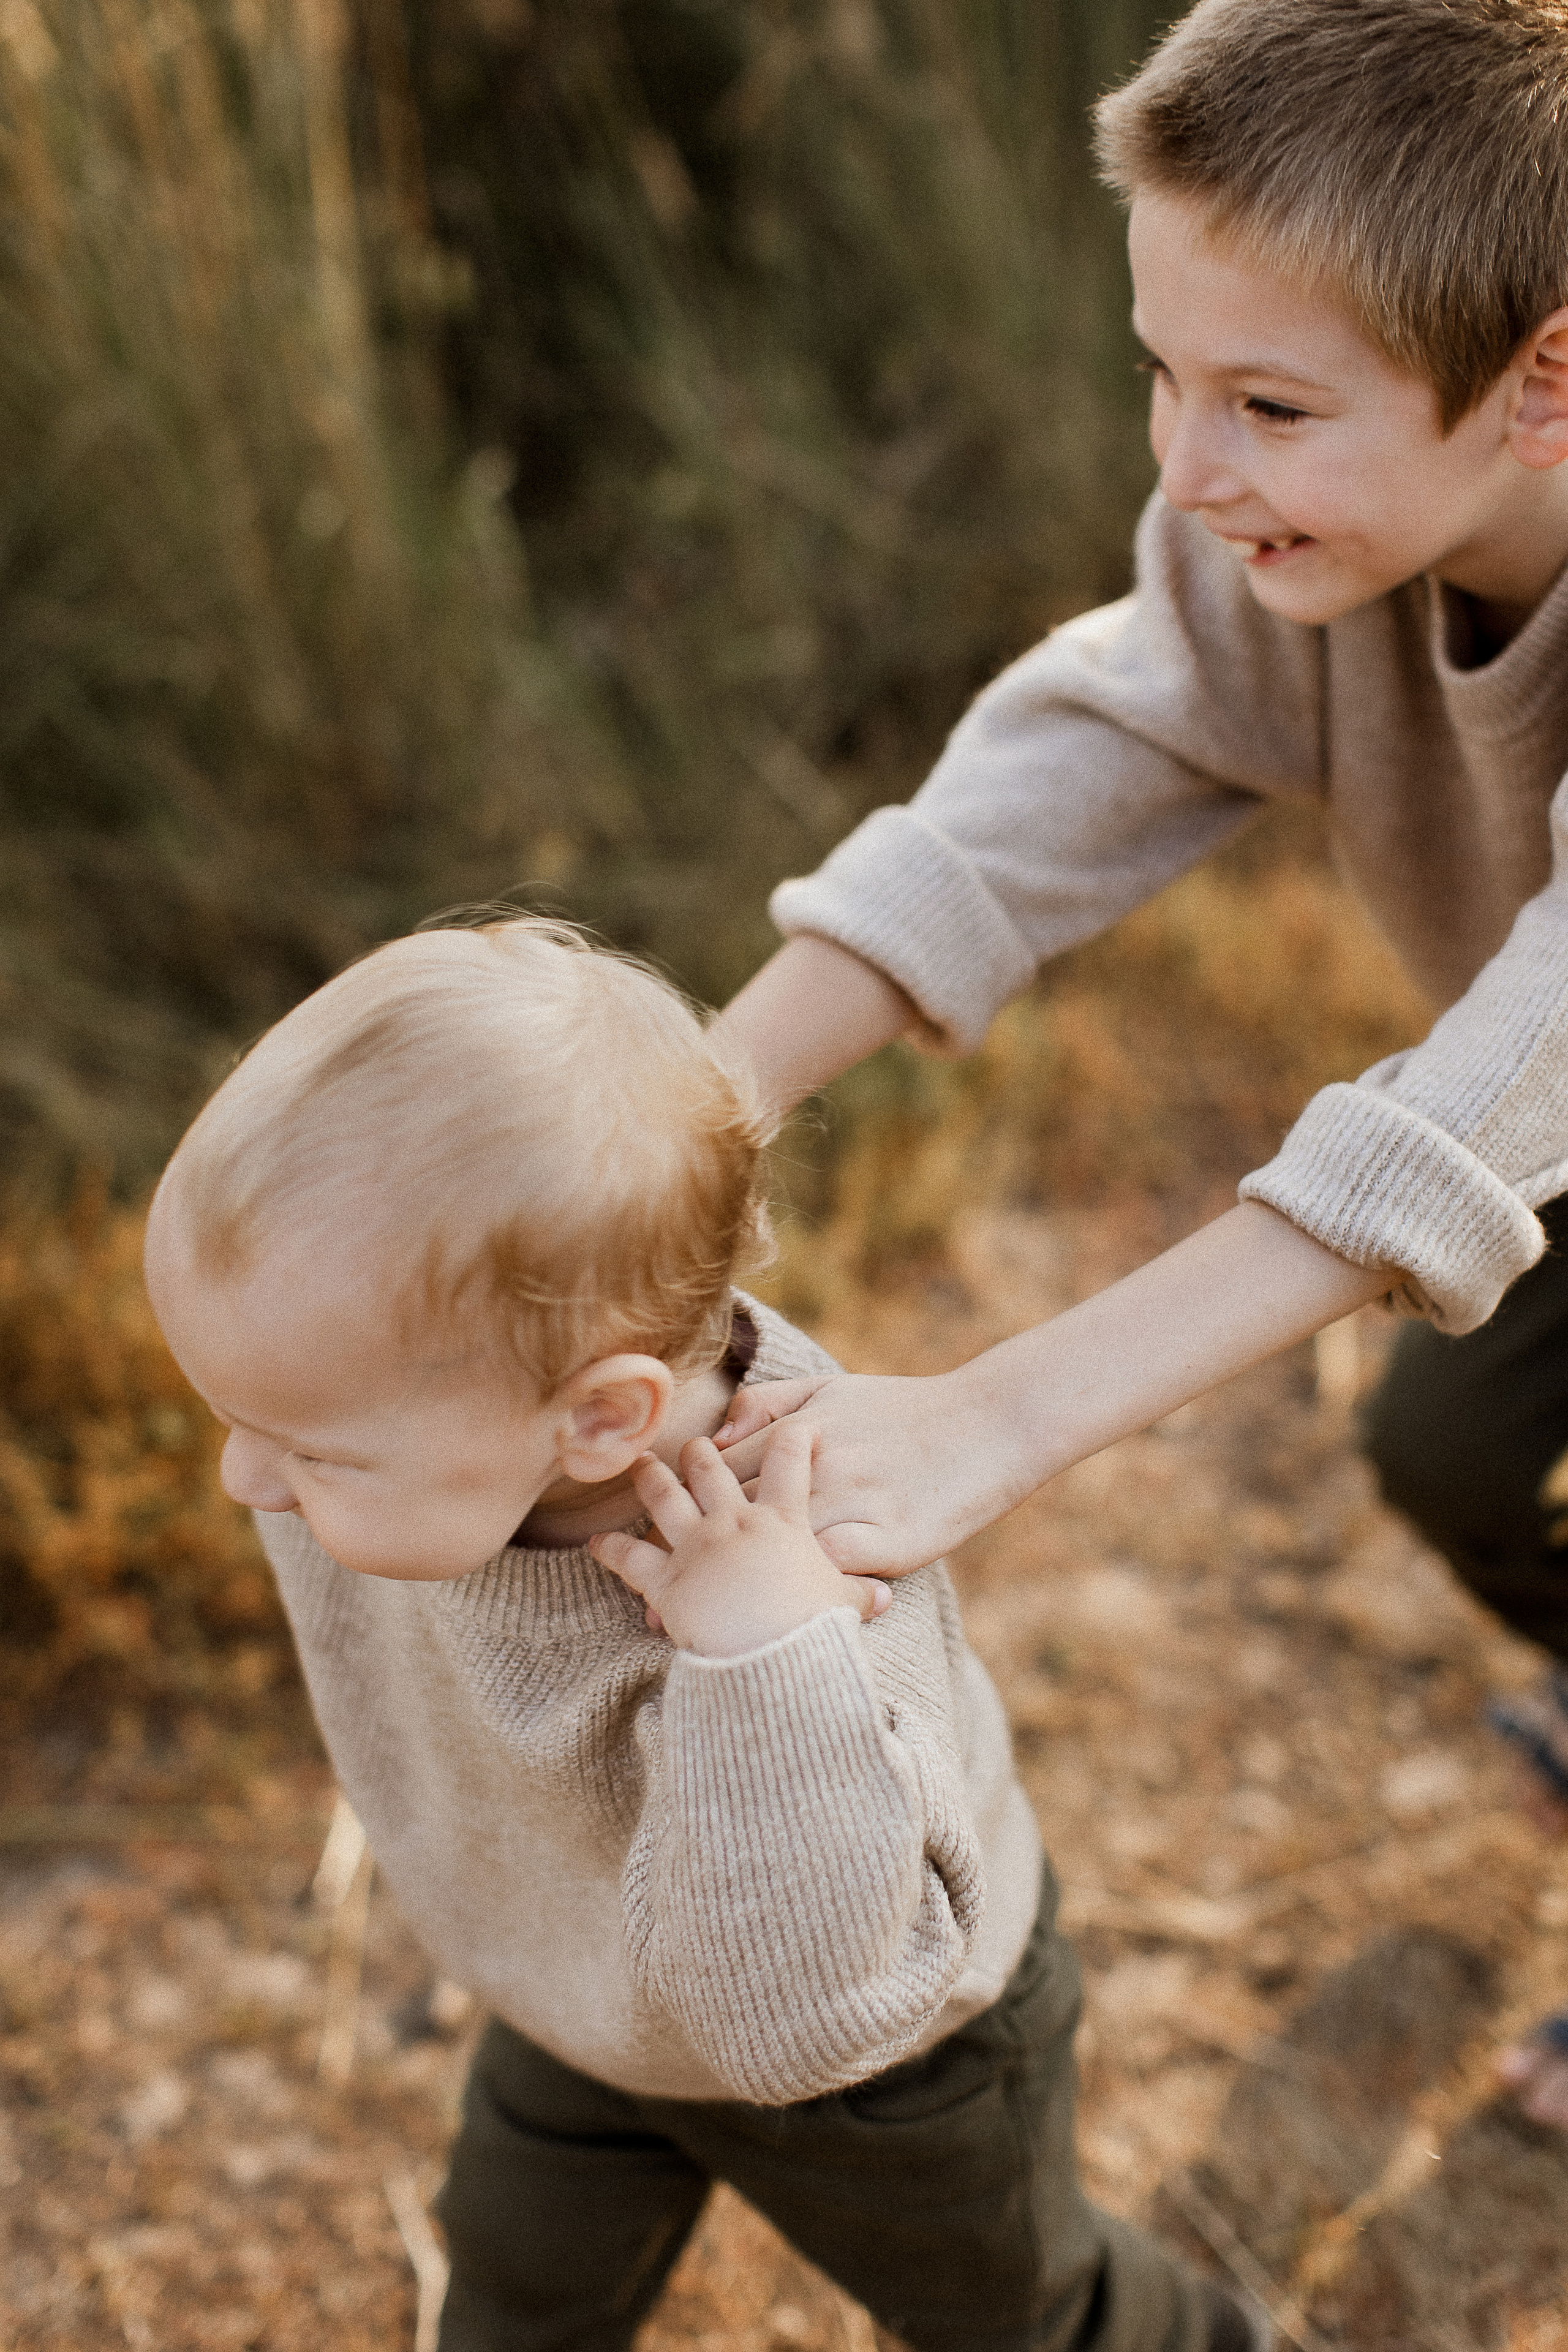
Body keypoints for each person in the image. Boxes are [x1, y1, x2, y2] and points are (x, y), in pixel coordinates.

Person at [705, 0, 1568, 2130]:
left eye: (1267, 402)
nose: (1188, 466)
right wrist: (703, 1101)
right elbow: (1094, 744)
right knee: (1449, 1455)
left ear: (1549, 376)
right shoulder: (1286, 537)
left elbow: (1487, 1097)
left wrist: (1004, 1418)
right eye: (1164, 377)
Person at [141, 918, 1266, 2352]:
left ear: (601, 1418)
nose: (244, 1482)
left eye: (303, 1450)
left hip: (869, 2056)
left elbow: (797, 2013)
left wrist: (762, 1664)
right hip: (586, 1992)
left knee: (1024, 2317)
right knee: (512, 2284)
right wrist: (330, 1452)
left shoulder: (816, 1551)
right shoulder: (439, 1422)